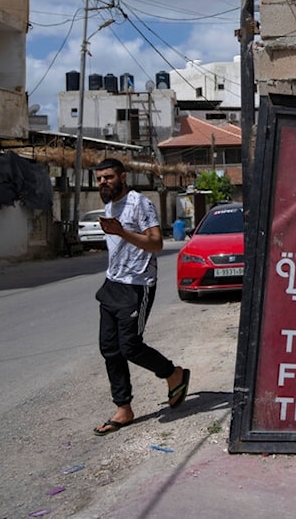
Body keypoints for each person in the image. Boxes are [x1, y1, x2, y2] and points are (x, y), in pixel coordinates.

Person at [91, 158, 190, 435]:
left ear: (122, 177)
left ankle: (173, 374)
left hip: (137, 284)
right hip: (113, 282)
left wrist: (122, 231)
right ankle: (123, 407)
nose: (103, 182)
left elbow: (156, 243)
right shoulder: (109, 204)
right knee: (109, 349)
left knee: (130, 346)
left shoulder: (140, 203)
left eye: (108, 177)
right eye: (99, 178)